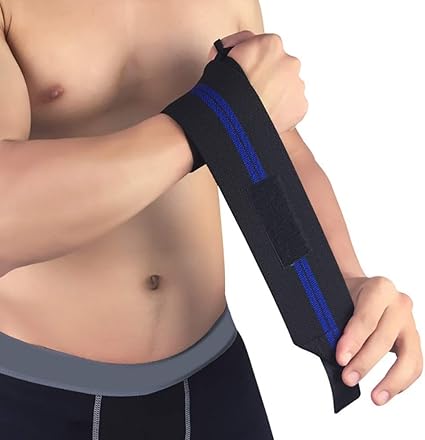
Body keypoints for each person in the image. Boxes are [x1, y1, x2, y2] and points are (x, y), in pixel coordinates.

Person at [0, 0, 422, 438]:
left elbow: (272, 146)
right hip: (33, 392)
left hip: (212, 379)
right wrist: (211, 123)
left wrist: (343, 278)